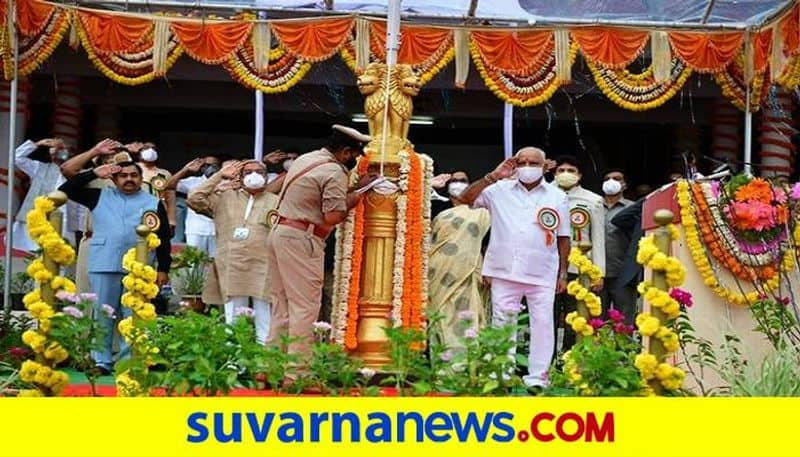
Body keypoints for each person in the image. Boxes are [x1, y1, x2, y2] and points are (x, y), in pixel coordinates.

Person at [266, 124, 377, 383]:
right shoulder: (333, 171)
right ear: (346, 153)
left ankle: (269, 369)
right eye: (354, 157)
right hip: (302, 238)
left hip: (280, 233)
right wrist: (360, 192)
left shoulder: (308, 158)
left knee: (282, 306)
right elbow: (333, 215)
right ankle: (297, 374)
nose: (353, 162)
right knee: (305, 308)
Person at [458, 147, 570, 389]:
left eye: (533, 162)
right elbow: (464, 200)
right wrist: (493, 176)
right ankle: (502, 375)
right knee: (502, 324)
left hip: (543, 272)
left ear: (544, 166)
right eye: (522, 162)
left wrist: (563, 273)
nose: (527, 166)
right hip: (503, 270)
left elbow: (563, 237)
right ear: (515, 164)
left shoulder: (557, 196)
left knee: (542, 325)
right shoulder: (497, 190)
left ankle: (537, 378)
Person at [58, 161, 172, 375]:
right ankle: (101, 362)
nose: (129, 179)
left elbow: (164, 237)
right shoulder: (99, 196)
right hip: (104, 262)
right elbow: (66, 190)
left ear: (141, 179)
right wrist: (93, 172)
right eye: (123, 175)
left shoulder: (153, 202)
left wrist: (163, 268)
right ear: (114, 179)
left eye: (134, 175)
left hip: (139, 267)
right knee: (103, 314)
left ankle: (131, 361)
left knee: (134, 314)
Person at [187, 160, 284, 344]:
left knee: (264, 319)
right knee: (233, 319)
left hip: (263, 266)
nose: (254, 176)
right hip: (231, 265)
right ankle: (234, 363)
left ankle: (264, 364)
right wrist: (220, 176)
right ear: (240, 177)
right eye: (248, 172)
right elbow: (194, 198)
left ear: (265, 177)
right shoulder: (225, 197)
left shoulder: (276, 201)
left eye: (259, 172)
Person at [427, 171, 491, 351]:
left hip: (469, 272)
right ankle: (441, 365)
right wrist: (428, 185)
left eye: (463, 181)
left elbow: (487, 245)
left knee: (467, 316)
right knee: (440, 316)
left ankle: (465, 365)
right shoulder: (435, 206)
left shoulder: (481, 213)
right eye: (454, 181)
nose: (458, 184)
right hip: (438, 272)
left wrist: (489, 270)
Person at [551, 155, 605, 355]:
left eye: (571, 170)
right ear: (554, 174)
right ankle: (545, 362)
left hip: (579, 267)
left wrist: (598, 272)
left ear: (579, 175)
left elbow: (598, 238)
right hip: (548, 267)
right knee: (547, 316)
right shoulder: (543, 196)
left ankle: (570, 360)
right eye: (560, 170)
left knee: (576, 316)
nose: (565, 174)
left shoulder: (593, 200)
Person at [60, 139, 127, 293]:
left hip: (126, 243)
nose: (114, 159)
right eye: (109, 157)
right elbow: (66, 169)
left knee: (123, 295)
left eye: (119, 155)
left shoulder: (137, 181)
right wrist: (94, 151)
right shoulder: (95, 178)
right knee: (86, 294)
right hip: (94, 240)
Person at [12, 138, 72, 251]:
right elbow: (16, 157)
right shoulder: (39, 168)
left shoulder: (75, 173)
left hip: (64, 224)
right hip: (40, 222)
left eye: (61, 149)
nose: (56, 152)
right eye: (53, 149)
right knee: (35, 256)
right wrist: (37, 143)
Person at [165, 156, 222, 256]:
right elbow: (169, 185)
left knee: (216, 265)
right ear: (202, 167)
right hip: (195, 230)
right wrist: (186, 169)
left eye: (214, 165)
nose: (211, 168)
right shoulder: (193, 181)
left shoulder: (225, 183)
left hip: (218, 230)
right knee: (194, 265)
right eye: (207, 165)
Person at [601, 169, 637, 323]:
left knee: (624, 321)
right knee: (595, 321)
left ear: (624, 185)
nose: (611, 181)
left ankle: (624, 348)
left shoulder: (633, 208)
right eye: (607, 178)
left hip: (623, 273)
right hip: (597, 274)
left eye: (616, 178)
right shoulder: (592, 205)